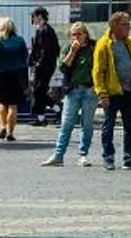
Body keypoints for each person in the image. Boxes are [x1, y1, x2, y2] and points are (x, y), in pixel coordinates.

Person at [42, 20, 99, 165]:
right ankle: (58, 155)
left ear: (86, 34)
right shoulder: (68, 48)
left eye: (79, 34)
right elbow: (62, 67)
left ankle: (83, 155)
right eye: (73, 35)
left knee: (87, 124)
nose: (76, 37)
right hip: (73, 89)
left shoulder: (94, 47)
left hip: (90, 89)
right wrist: (73, 51)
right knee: (66, 123)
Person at [94, 10, 131, 171]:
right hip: (112, 92)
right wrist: (102, 93)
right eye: (125, 24)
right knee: (108, 125)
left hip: (128, 91)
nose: (129, 27)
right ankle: (108, 157)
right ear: (114, 26)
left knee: (130, 126)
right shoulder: (104, 44)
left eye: (129, 24)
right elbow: (98, 71)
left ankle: (130, 158)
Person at [0, 15, 30, 142]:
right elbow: (25, 60)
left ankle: (2, 126)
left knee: (2, 102)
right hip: (17, 75)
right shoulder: (20, 41)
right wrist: (26, 80)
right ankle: (10, 131)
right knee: (13, 105)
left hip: (2, 75)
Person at [27, 6, 61, 124]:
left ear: (40, 16)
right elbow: (37, 48)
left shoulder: (46, 30)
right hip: (41, 65)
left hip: (45, 66)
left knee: (38, 90)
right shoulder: (40, 29)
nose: (32, 19)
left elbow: (47, 51)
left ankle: (57, 109)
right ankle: (42, 118)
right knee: (38, 91)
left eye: (34, 16)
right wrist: (32, 61)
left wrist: (39, 63)